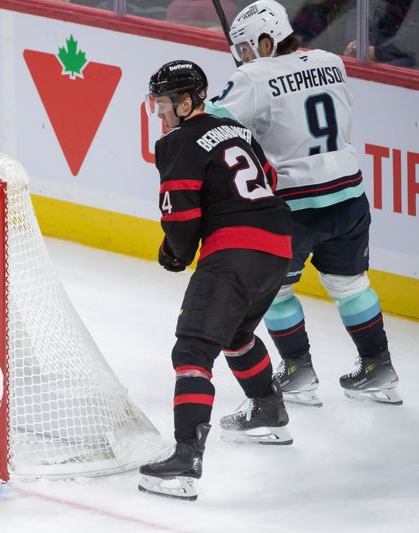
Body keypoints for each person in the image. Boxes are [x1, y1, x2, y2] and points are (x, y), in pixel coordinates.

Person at [209, 0, 401, 407]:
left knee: (276, 290)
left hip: (294, 206)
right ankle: (378, 366)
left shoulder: (253, 76)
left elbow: (212, 121)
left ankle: (298, 372)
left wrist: (238, 82)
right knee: (350, 285)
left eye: (245, 48)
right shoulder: (332, 62)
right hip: (348, 196)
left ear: (266, 41)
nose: (242, 57)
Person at [138, 60, 294, 501]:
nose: (160, 114)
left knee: (192, 347)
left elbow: (182, 215)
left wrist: (176, 253)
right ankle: (268, 410)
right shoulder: (238, 131)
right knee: (237, 332)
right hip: (278, 245)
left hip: (235, 251)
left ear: (187, 103)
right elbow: (270, 180)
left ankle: (185, 458)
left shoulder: (177, 142)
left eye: (164, 105)